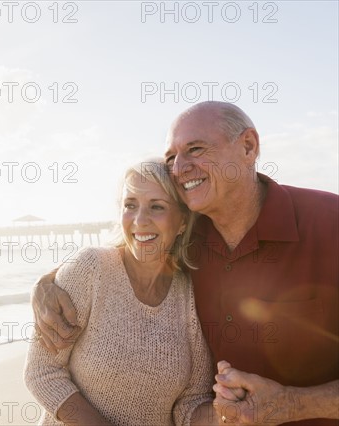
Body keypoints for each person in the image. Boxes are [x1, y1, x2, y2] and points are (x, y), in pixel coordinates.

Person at [31, 101, 339, 425]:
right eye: (171, 158)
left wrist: (293, 404)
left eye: (195, 149)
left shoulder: (330, 223)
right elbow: (126, 254)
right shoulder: (188, 243)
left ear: (248, 146)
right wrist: (47, 283)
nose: (178, 168)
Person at [24, 160, 214, 425]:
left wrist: (227, 415)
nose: (140, 220)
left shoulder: (190, 294)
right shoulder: (91, 268)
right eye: (130, 205)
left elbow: (192, 401)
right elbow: (43, 372)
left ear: (182, 221)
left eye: (156, 207)